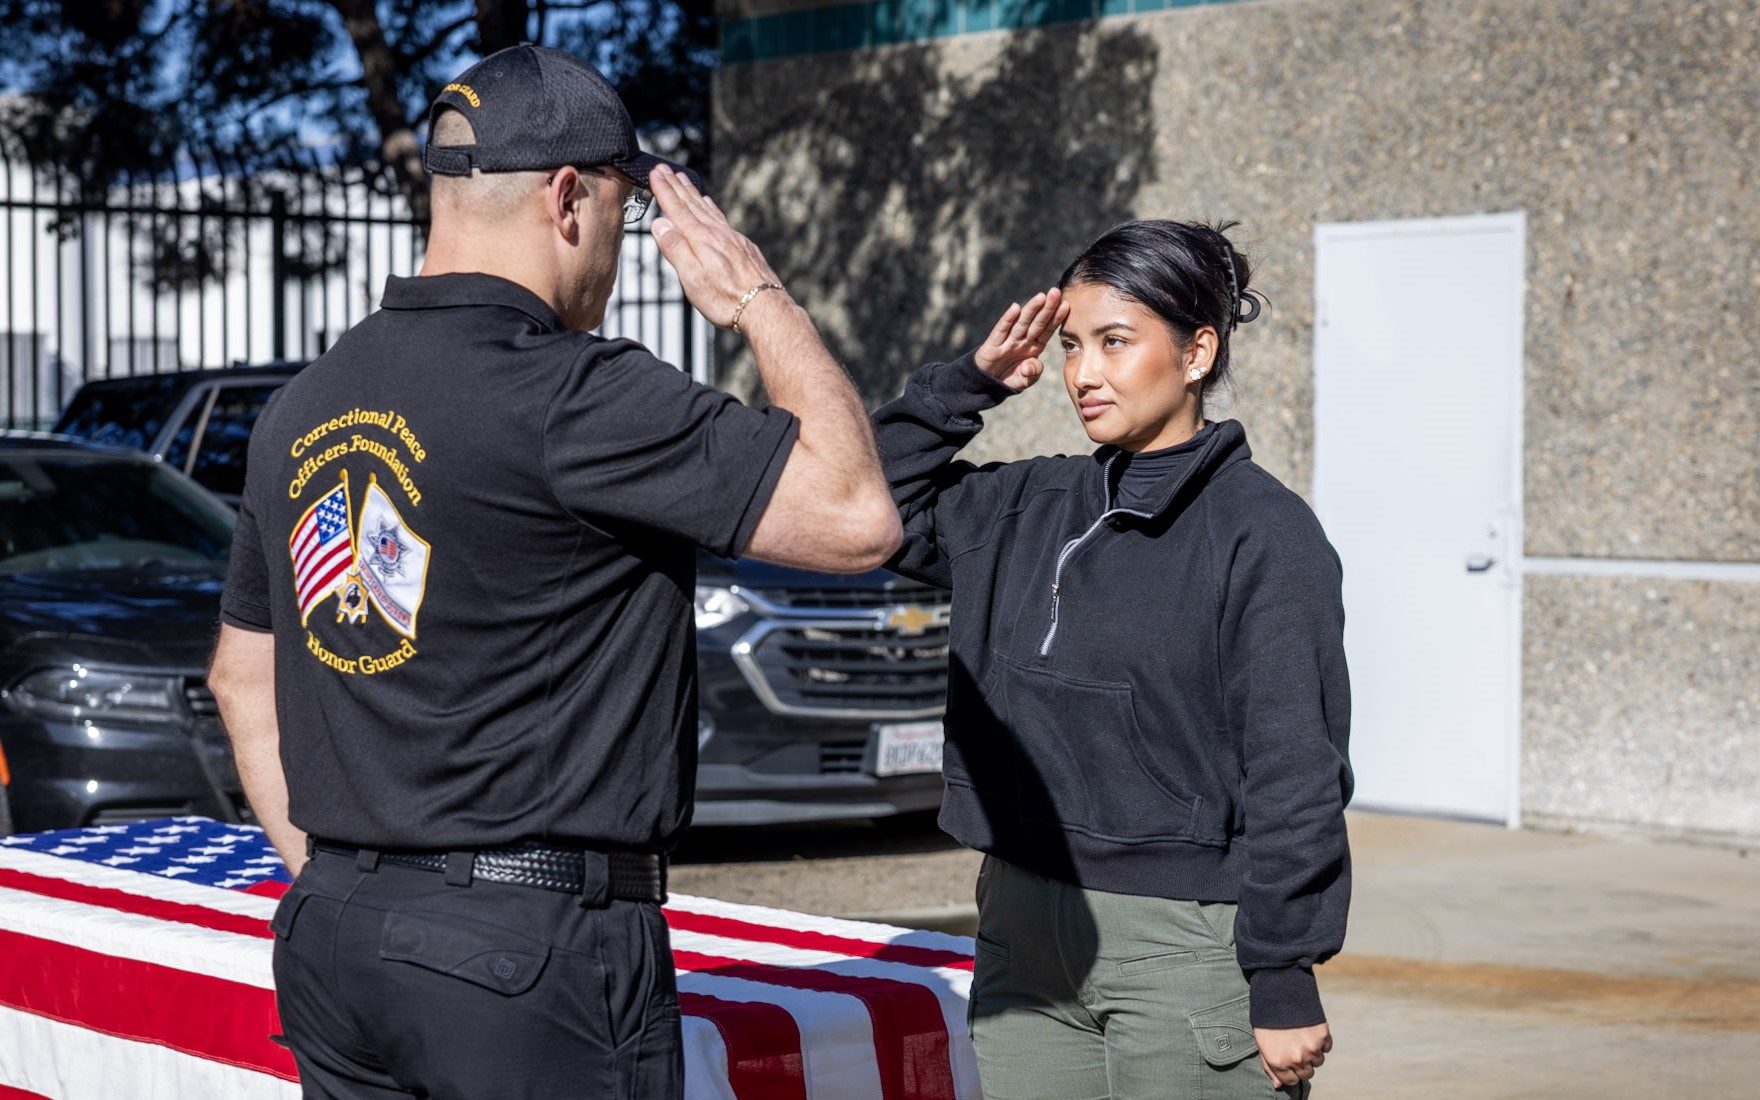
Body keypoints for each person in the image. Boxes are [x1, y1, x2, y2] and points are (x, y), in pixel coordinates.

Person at [207, 44, 899, 1099]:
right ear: (568, 196)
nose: (619, 252)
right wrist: (756, 296)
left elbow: (238, 678)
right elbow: (855, 517)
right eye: (624, 215)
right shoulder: (574, 393)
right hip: (524, 952)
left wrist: (355, 882)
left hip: (337, 929)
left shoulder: (304, 403)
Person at [872, 219, 1352, 1098]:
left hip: (1182, 948)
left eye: (1115, 342)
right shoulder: (1027, 503)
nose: (1083, 373)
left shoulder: (1265, 535)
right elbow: (871, 504)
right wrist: (967, 388)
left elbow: (1295, 767)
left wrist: (1284, 972)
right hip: (1021, 926)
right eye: (1071, 346)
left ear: (1197, 351)